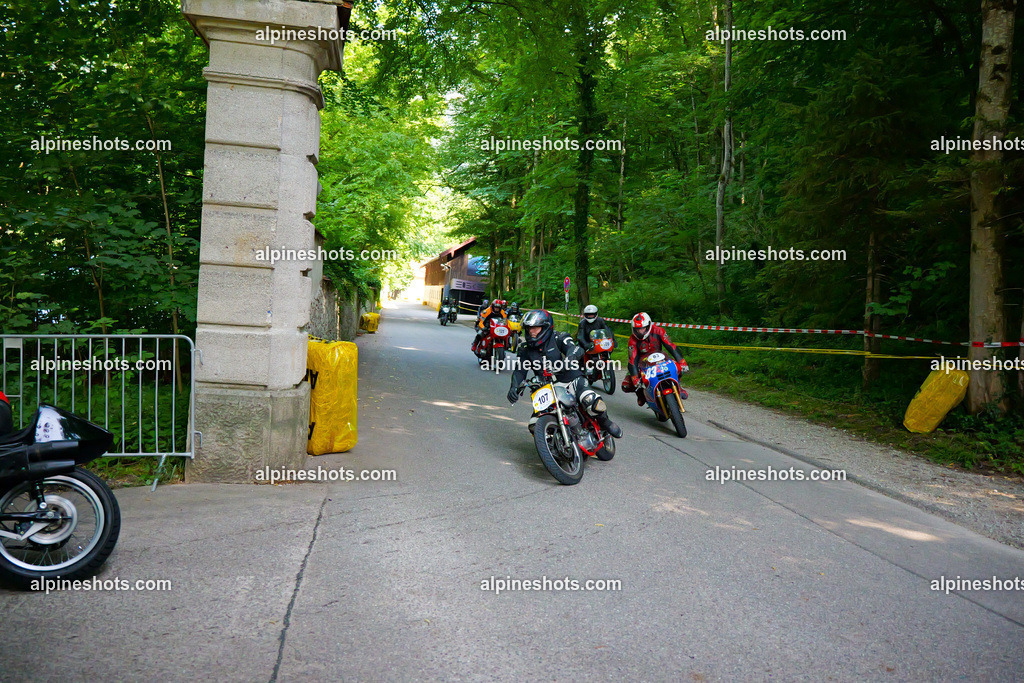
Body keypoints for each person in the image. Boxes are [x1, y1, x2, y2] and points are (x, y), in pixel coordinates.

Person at [507, 309, 622, 438]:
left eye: (535, 328)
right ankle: (556, 445)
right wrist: (514, 387)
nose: (531, 332)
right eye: (529, 329)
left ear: (545, 327)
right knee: (534, 425)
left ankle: (606, 423)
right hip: (545, 387)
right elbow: (519, 371)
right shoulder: (524, 349)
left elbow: (575, 348)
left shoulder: (559, 337)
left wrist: (571, 357)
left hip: (569, 379)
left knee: (591, 400)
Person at [624, 312, 684, 406]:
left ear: (648, 326)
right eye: (638, 329)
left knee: (678, 367)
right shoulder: (632, 340)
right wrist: (635, 377)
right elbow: (632, 359)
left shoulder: (659, 330)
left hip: (660, 358)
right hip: (642, 364)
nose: (641, 331)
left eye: (643, 328)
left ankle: (679, 387)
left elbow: (670, 345)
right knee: (626, 385)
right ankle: (641, 395)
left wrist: (682, 361)